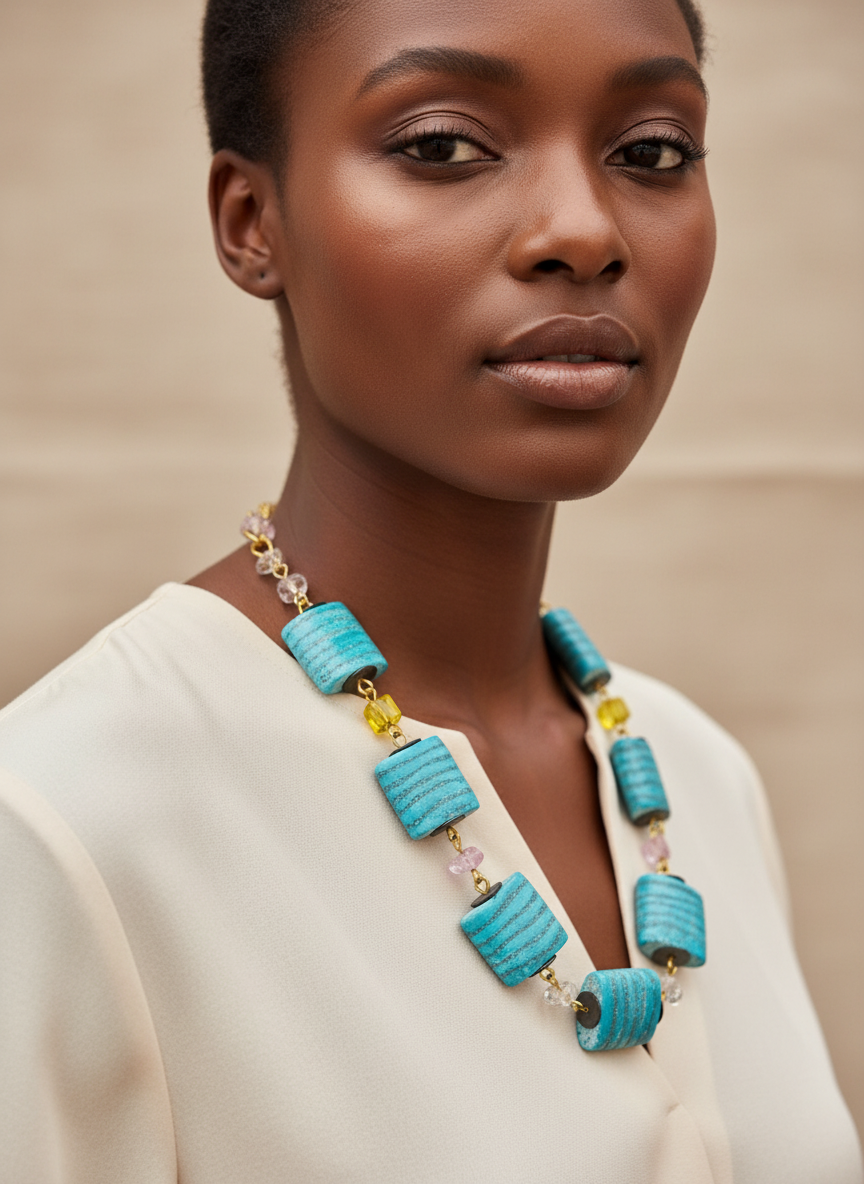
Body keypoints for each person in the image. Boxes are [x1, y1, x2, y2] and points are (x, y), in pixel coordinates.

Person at [0, 0, 860, 1179]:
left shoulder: (697, 779)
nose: (583, 229)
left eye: (651, 151)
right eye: (444, 145)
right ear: (254, 223)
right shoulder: (67, 821)